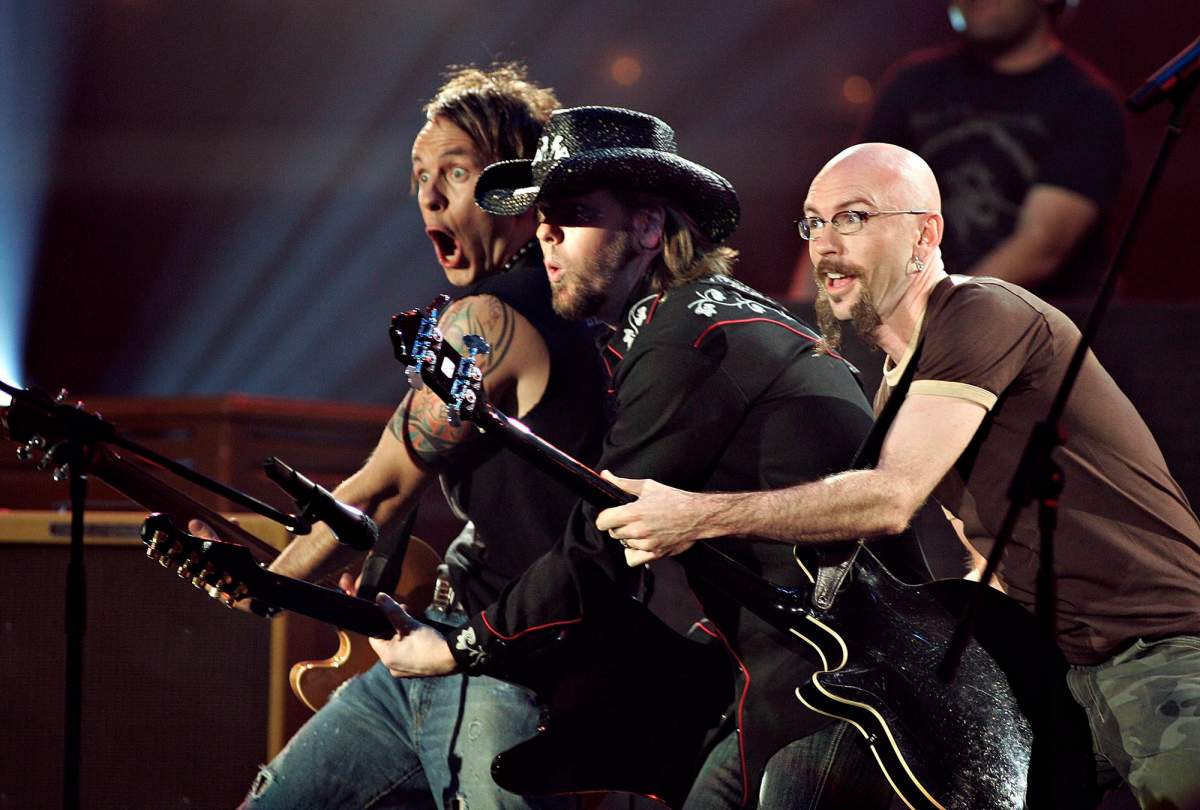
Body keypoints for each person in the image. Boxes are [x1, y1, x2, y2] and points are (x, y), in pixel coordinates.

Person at [595, 142, 1200, 809]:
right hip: (1056, 676)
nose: (825, 244)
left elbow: (889, 500)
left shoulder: (979, 312)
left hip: (1161, 649)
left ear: (925, 233)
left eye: (853, 218)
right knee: (808, 778)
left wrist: (697, 515)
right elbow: (982, 554)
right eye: (813, 222)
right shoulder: (898, 390)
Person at [368, 105, 911, 808]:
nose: (546, 233)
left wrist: (458, 647)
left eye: (574, 212)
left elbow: (600, 541)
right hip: (811, 681)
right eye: (542, 214)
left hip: (836, 697)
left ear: (649, 226)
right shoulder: (707, 316)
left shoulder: (686, 338)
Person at [218, 64, 609, 809]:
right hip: (430, 654)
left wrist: (268, 585)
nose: (427, 196)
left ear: (516, 189)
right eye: (421, 175)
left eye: (455, 174)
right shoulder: (560, 307)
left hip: (511, 671)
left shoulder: (491, 319)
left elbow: (386, 487)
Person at [790, 0, 1125, 302]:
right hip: (913, 321)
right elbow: (845, 201)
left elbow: (1041, 245)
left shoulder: (1087, 103)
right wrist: (803, 321)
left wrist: (937, 314)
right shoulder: (913, 84)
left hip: (1032, 332)